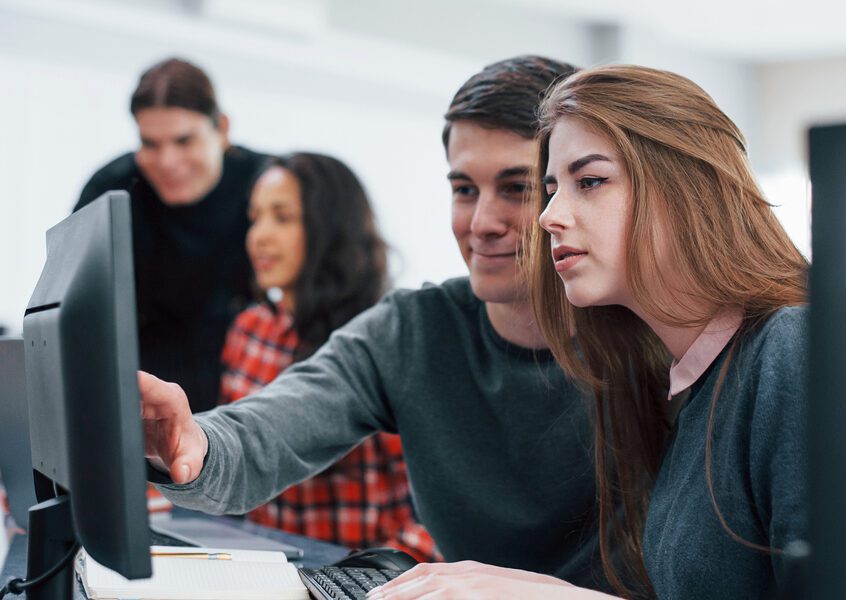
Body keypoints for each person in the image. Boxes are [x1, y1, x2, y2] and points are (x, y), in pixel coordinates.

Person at [139, 56, 629, 591]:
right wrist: (187, 443)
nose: (481, 223)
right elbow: (267, 432)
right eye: (464, 189)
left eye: (517, 188)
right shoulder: (410, 331)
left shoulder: (649, 338)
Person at [372, 65, 809, 599]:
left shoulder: (791, 351)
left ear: (687, 188)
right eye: (552, 189)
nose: (549, 216)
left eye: (591, 182)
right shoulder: (695, 385)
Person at [219, 152, 438, 561]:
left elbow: (438, 514)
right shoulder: (249, 328)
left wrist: (377, 579)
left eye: (282, 217)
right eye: (255, 217)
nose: (259, 236)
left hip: (359, 575)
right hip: (267, 570)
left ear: (331, 228)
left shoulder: (385, 340)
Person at [76, 57, 267, 413]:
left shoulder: (268, 187)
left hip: (249, 400)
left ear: (222, 129)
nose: (166, 161)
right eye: (150, 143)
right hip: (144, 406)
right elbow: (77, 314)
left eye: (184, 140)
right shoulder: (109, 190)